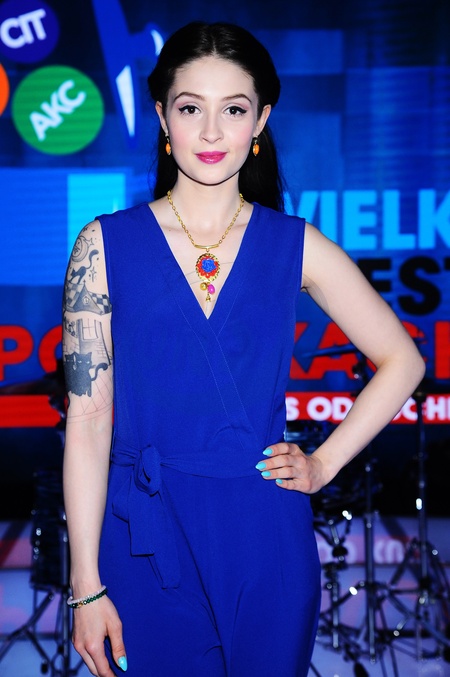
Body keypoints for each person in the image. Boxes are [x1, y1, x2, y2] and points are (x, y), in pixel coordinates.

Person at [62, 21, 425, 677]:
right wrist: (85, 584)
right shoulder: (103, 245)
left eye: (233, 110)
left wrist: (323, 464)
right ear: (162, 117)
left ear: (260, 120)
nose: (210, 132)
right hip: (143, 536)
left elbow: (405, 360)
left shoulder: (295, 244)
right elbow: (87, 423)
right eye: (189, 108)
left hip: (265, 535)